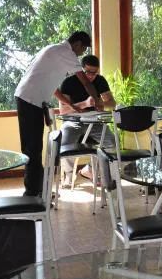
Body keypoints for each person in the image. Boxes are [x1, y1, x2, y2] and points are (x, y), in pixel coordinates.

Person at [14, 31, 103, 197]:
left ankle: (39, 190)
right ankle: (33, 193)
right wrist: (97, 101)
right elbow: (85, 82)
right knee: (32, 148)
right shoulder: (66, 52)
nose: (81, 53)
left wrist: (71, 105)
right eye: (83, 49)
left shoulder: (54, 50)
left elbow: (53, 87)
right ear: (77, 44)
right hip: (29, 99)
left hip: (30, 99)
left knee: (34, 147)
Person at [55, 55, 115, 182]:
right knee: (64, 144)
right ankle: (69, 174)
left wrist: (101, 103)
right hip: (72, 121)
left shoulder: (100, 80)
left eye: (95, 73)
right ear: (81, 69)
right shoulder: (68, 82)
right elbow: (63, 110)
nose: (91, 76)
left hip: (94, 121)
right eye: (88, 72)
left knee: (112, 142)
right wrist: (85, 104)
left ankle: (89, 170)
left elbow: (112, 104)